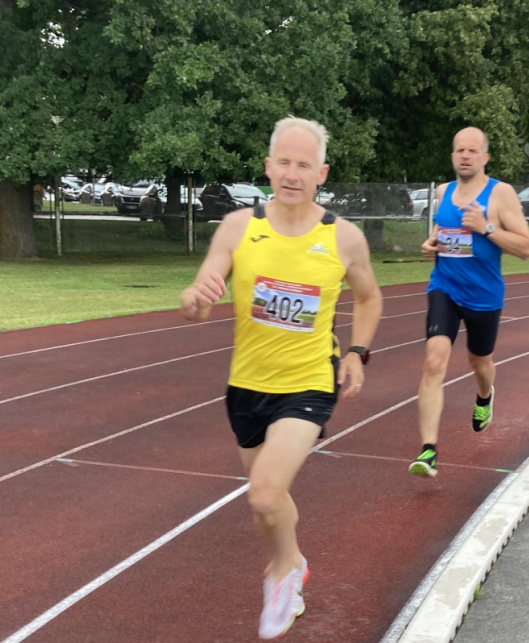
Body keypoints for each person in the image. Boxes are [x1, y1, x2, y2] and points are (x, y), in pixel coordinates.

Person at [179, 116, 382, 639]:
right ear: (268, 167)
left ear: (321, 174)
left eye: (304, 165)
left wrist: (356, 352)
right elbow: (198, 302)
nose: (292, 174)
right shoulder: (238, 227)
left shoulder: (343, 238)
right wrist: (195, 299)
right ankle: (291, 562)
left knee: (265, 495)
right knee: (265, 500)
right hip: (247, 386)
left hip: (308, 384)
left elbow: (369, 297)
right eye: (284, 163)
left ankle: (281, 572)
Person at [409, 126, 529, 477]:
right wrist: (430, 244)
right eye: (460, 150)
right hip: (444, 287)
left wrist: (486, 227)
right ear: (452, 156)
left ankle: (484, 395)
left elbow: (526, 248)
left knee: (480, 363)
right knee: (434, 361)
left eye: (472, 150)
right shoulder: (443, 191)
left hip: (484, 296)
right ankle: (428, 451)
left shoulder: (500, 194)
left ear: (484, 157)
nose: (465, 156)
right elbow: (440, 232)